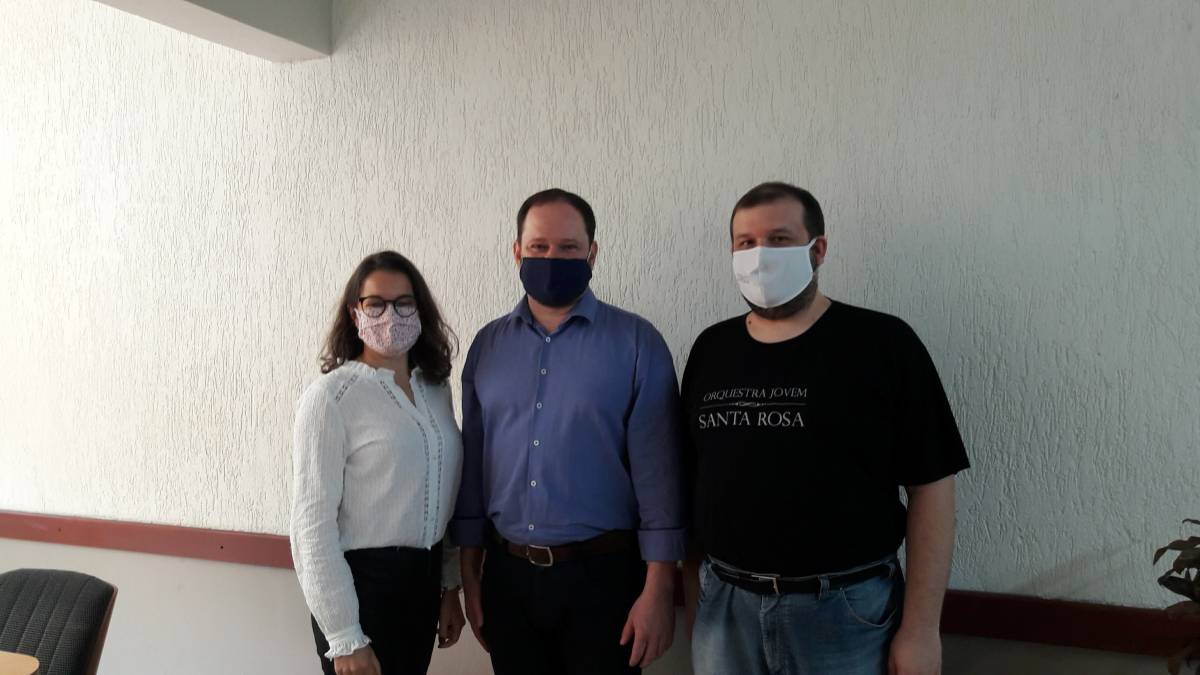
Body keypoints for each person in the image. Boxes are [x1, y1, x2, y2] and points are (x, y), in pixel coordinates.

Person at [683, 182, 970, 675]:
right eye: (746, 243)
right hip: (725, 609)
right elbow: (691, 480)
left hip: (845, 613)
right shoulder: (712, 348)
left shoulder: (883, 344)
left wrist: (922, 630)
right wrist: (696, 601)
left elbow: (932, 488)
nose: (760, 256)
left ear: (817, 250)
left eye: (779, 239)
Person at [450, 188, 686, 675]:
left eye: (568, 247)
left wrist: (660, 588)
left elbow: (659, 476)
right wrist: (469, 575)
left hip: (605, 581)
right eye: (539, 247)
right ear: (517, 252)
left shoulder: (637, 343)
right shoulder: (487, 346)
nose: (552, 258)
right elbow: (473, 465)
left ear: (592, 253)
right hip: (508, 577)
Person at [291, 251, 466, 675]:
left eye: (404, 303)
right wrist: (344, 636)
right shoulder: (330, 398)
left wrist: (449, 587)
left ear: (420, 311)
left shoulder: (435, 389)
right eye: (376, 304)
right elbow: (311, 526)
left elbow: (443, 496)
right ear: (355, 313)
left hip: (422, 585)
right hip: (361, 591)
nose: (391, 315)